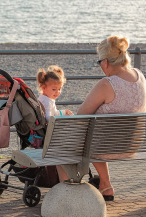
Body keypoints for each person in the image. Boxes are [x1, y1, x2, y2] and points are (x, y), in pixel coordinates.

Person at [77, 35, 146, 201]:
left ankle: (69, 194)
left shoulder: (107, 84)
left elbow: (80, 116)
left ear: (106, 62)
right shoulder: (140, 76)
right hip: (134, 146)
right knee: (101, 135)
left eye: (99, 62)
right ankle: (105, 186)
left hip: (106, 149)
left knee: (74, 140)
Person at [37, 65, 74, 182]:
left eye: (59, 89)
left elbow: (53, 112)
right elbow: (48, 116)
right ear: (43, 87)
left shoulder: (46, 99)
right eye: (54, 89)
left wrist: (63, 112)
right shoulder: (47, 101)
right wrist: (59, 119)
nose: (57, 92)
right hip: (50, 132)